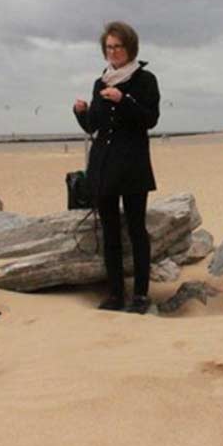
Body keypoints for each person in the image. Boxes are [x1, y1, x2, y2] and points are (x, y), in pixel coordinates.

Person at [73, 21, 160, 313]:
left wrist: (123, 100)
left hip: (133, 166)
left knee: (136, 231)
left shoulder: (145, 80)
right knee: (109, 232)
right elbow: (93, 127)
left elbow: (150, 119)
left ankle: (141, 296)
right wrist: (80, 113)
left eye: (118, 47)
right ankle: (115, 295)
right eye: (109, 47)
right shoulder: (101, 82)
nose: (113, 52)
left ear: (130, 48)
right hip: (104, 167)